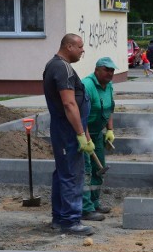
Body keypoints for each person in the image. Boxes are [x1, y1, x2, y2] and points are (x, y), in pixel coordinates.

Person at [43, 33, 96, 235]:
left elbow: (78, 106)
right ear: (69, 46)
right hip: (68, 130)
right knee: (71, 174)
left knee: (63, 173)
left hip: (68, 127)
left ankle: (60, 217)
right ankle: (70, 221)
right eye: (80, 46)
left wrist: (86, 134)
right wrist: (80, 134)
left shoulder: (57, 65)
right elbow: (69, 103)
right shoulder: (62, 68)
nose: (83, 50)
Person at [81, 57, 117, 221]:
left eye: (112, 70)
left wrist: (109, 129)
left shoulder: (109, 86)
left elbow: (110, 108)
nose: (110, 73)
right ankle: (85, 208)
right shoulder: (87, 85)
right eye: (107, 70)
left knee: (98, 168)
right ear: (97, 70)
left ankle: (95, 203)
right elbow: (81, 116)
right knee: (86, 171)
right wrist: (86, 140)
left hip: (98, 133)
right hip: (83, 133)